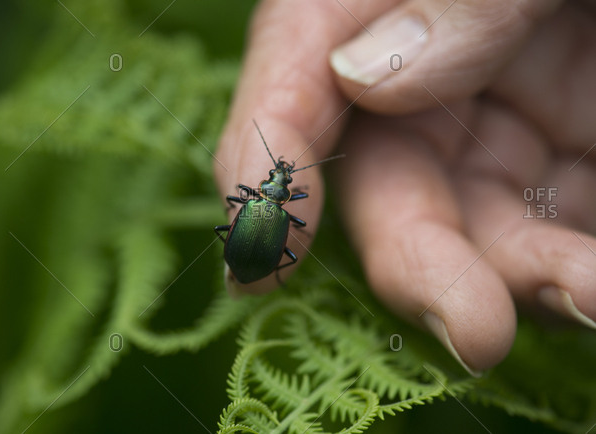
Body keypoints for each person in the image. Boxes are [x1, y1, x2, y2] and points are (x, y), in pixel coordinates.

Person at [214, 0, 596, 376]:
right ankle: (274, 272)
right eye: (281, 178)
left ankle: (260, 270)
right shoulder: (287, 207)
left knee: (239, 221)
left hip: (252, 248)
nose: (281, 175)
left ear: (265, 187)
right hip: (261, 251)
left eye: (279, 178)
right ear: (281, 190)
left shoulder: (254, 198)